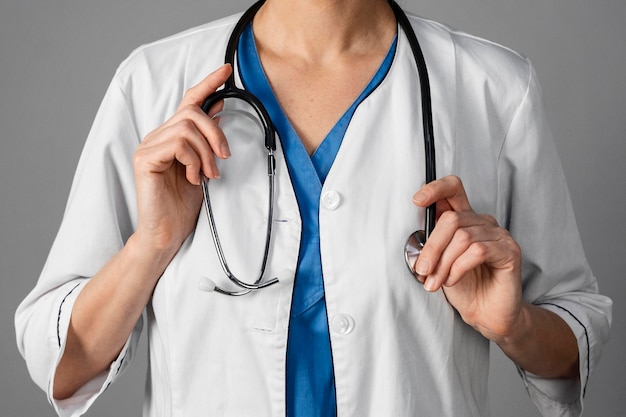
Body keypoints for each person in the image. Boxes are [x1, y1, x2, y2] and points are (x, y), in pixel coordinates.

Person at [15, 0, 611, 416]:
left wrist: (515, 325)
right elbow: (60, 366)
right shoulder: (151, 83)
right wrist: (152, 244)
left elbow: (574, 335)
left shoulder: (492, 88)